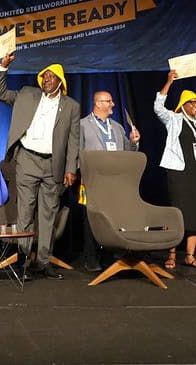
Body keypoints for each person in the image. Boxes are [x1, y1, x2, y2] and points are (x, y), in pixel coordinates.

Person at [0, 52, 80, 280]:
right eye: (43, 77)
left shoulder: (71, 106)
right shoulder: (26, 95)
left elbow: (73, 140)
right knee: (25, 213)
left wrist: (71, 168)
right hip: (27, 160)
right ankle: (22, 260)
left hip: (53, 164)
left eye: (50, 77)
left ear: (60, 81)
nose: (46, 80)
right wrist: (3, 66)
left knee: (48, 213)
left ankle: (43, 262)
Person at [153, 70, 196, 270]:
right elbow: (158, 107)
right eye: (191, 103)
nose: (195, 106)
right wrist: (169, 82)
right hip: (180, 173)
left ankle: (190, 256)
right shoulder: (174, 119)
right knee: (178, 214)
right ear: (183, 105)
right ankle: (172, 255)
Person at [78, 91, 140, 271]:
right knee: (92, 219)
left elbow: (128, 153)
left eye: (112, 101)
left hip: (116, 182)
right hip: (93, 179)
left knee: (112, 219)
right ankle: (91, 258)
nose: (113, 104)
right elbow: (77, 151)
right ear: (98, 103)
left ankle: (109, 256)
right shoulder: (82, 125)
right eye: (109, 101)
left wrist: (133, 142)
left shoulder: (118, 127)